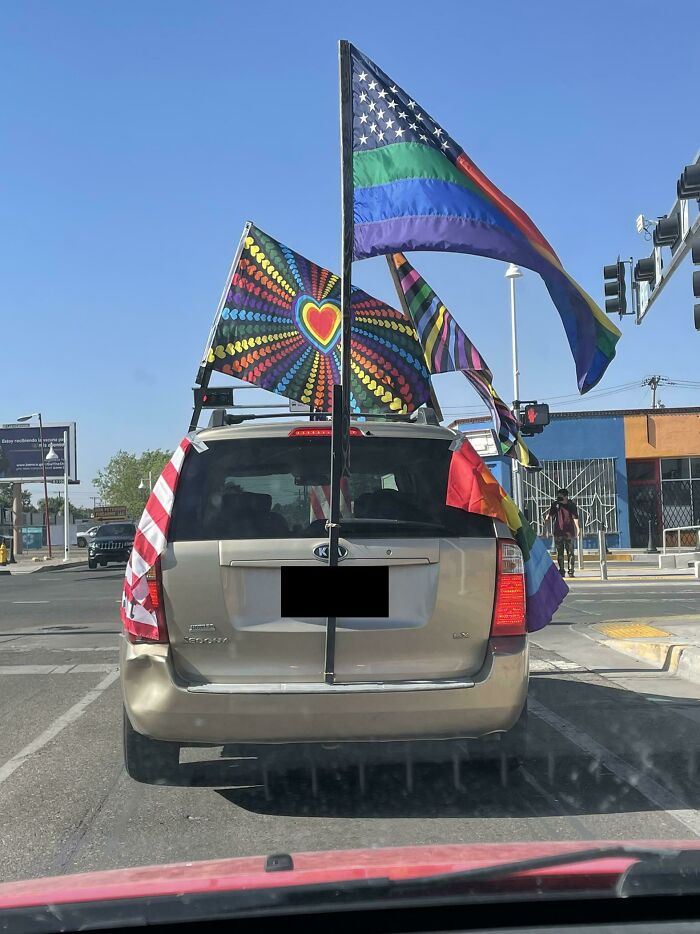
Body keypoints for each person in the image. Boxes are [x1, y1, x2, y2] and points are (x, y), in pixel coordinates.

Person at [547, 488, 579, 578]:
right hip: (558, 532)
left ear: (566, 497)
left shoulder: (571, 505)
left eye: (561, 497)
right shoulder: (556, 505)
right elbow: (550, 515)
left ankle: (571, 571)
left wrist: (578, 528)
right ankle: (561, 570)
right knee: (559, 553)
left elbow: (575, 517)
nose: (559, 499)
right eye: (558, 497)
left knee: (570, 553)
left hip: (569, 532)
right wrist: (546, 526)